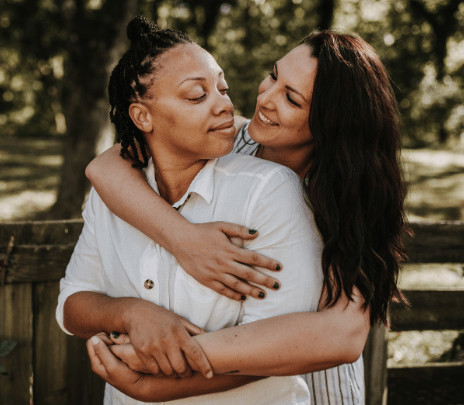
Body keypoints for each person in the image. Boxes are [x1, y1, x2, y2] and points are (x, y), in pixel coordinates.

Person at [84, 24, 409, 405]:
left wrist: (166, 367)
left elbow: (342, 334)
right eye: (273, 75)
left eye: (291, 98)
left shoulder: (351, 197)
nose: (266, 97)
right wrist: (184, 239)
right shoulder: (232, 142)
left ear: (332, 123)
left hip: (315, 390)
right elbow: (106, 167)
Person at [56, 15, 331, 404]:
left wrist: (150, 385)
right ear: (142, 116)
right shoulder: (115, 192)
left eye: (223, 89)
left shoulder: (269, 190)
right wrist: (131, 314)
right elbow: (72, 302)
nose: (227, 105)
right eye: (197, 95)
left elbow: (273, 349)